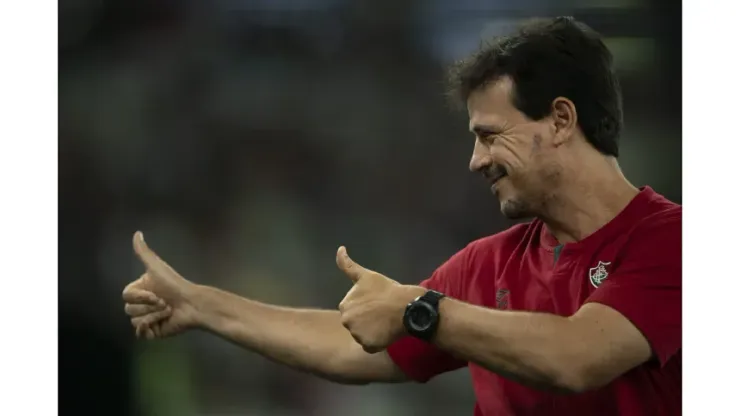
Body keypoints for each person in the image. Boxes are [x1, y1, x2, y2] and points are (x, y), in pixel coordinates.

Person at [122, 16, 681, 416]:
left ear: (561, 120)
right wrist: (202, 304)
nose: (476, 160)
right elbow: (351, 345)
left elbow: (577, 356)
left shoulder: (676, 240)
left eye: (490, 136)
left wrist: (423, 310)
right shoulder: (488, 265)